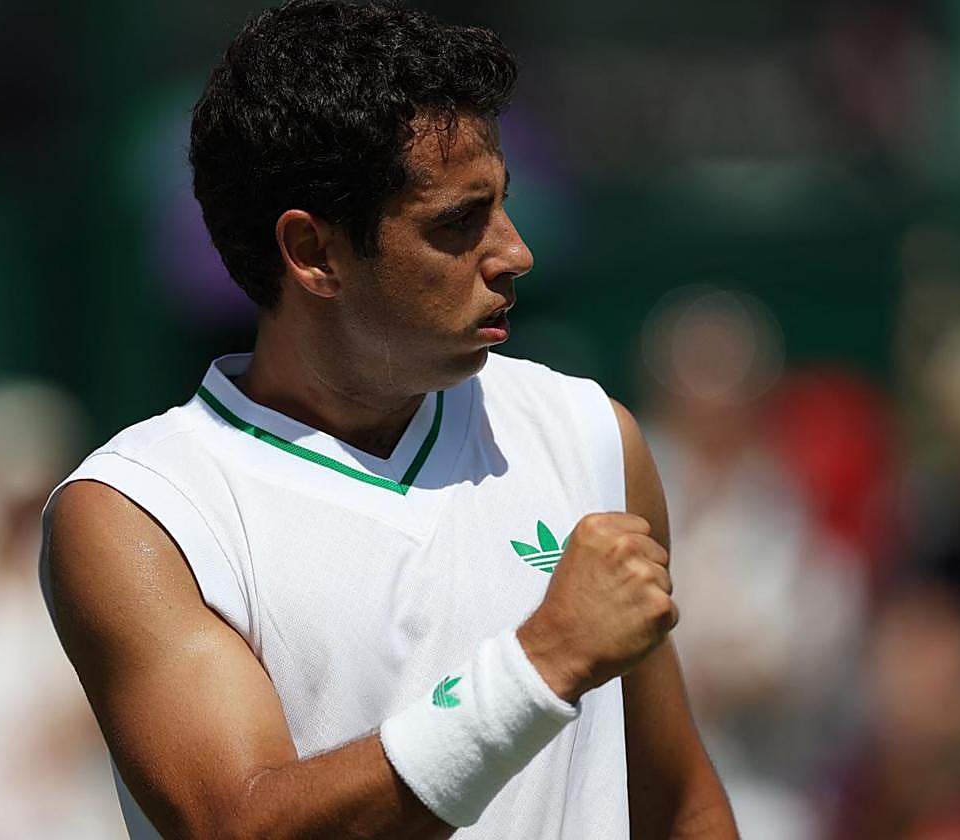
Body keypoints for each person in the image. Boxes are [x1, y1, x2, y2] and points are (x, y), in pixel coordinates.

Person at [40, 1, 736, 837]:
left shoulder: (590, 434)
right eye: (456, 223)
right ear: (313, 253)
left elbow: (678, 804)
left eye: (503, 204)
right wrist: (541, 662)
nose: (516, 252)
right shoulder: (139, 514)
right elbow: (237, 826)